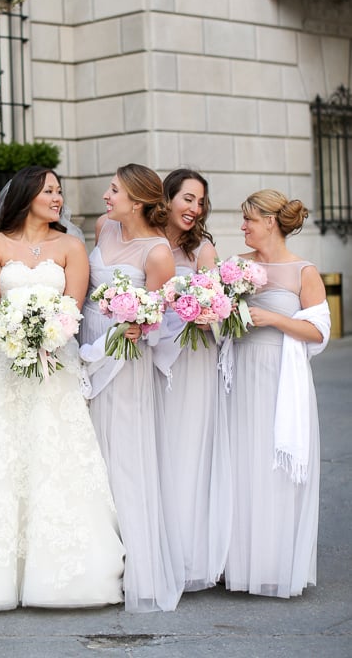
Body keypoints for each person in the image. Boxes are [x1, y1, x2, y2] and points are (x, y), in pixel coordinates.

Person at [0, 166, 124, 611]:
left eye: (59, 191)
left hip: (56, 368)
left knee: (55, 461)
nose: (58, 198)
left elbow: (71, 313)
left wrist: (45, 338)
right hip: (1, 367)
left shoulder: (73, 247)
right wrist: (17, 338)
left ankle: (63, 577)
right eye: (50, 190)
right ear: (29, 193)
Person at [79, 162, 184, 612]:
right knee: (92, 455)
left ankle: (136, 568)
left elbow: (161, 319)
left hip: (126, 363)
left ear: (138, 200)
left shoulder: (157, 252)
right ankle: (97, 563)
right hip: (91, 347)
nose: (106, 195)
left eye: (114, 189)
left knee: (124, 456)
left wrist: (141, 326)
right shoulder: (103, 229)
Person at [225, 189, 330, 598]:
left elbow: (319, 331)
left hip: (279, 375)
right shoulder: (235, 266)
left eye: (248, 218)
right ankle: (238, 561)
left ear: (270, 221)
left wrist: (272, 318)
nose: (243, 226)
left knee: (274, 465)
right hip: (240, 371)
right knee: (241, 461)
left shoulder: (304, 271)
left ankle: (272, 563)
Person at [153, 168, 231, 591]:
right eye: (187, 199)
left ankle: (189, 555)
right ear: (167, 199)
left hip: (194, 358)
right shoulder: (147, 242)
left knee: (189, 451)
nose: (194, 208)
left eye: (200, 202)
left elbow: (217, 302)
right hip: (153, 357)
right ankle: (157, 549)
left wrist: (208, 312)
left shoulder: (203, 249)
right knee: (160, 448)